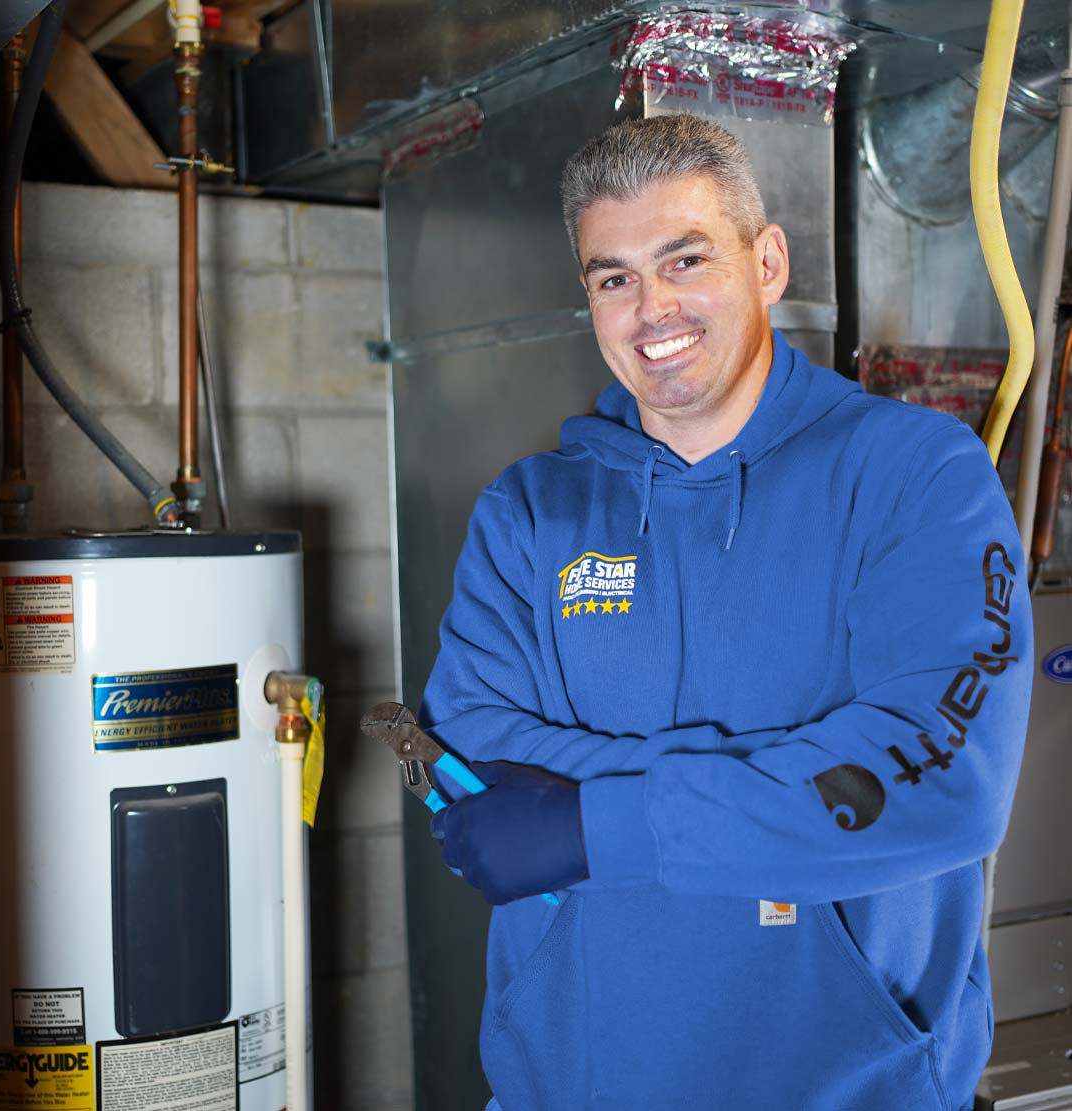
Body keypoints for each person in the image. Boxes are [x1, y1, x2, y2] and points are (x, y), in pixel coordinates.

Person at [420, 113, 1033, 1111]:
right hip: (572, 1084)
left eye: (685, 258)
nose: (650, 306)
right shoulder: (531, 510)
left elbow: (940, 772)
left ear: (768, 262)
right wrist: (780, 774)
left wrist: (594, 825)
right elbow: (476, 759)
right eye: (612, 276)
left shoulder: (916, 475)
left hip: (846, 1086)